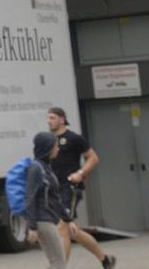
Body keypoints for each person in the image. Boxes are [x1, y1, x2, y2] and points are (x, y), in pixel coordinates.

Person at [47, 107, 115, 269]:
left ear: (62, 119)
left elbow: (93, 158)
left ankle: (59, 267)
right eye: (48, 118)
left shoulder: (74, 138)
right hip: (55, 189)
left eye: (53, 118)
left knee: (62, 228)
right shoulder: (49, 140)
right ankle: (105, 259)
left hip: (69, 188)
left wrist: (81, 172)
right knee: (73, 231)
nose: (49, 121)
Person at [24, 133, 71, 269]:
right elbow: (30, 197)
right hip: (42, 220)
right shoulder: (36, 168)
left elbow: (54, 198)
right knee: (58, 263)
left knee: (57, 262)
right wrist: (32, 227)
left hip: (48, 219)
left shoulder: (46, 167)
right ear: (47, 148)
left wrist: (68, 220)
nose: (58, 148)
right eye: (55, 146)